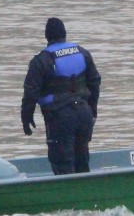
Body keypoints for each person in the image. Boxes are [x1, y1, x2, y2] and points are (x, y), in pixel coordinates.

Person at [21, 17, 101, 174]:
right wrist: (93, 110)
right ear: (64, 34)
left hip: (60, 117)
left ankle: (69, 196)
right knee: (82, 161)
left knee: (63, 164)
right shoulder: (83, 53)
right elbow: (95, 82)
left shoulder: (41, 60)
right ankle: (85, 195)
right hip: (84, 114)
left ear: (47, 36)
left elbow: (31, 93)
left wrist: (26, 118)